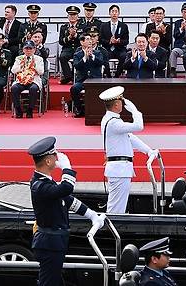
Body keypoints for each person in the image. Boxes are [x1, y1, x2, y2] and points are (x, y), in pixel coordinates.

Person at [28, 136, 104, 286]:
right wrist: (67, 168)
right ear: (48, 161)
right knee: (49, 283)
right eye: (54, 157)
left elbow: (68, 200)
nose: (57, 159)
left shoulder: (46, 182)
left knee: (54, 281)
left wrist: (92, 215)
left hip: (55, 243)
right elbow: (66, 188)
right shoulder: (40, 186)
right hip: (50, 244)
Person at [99, 86, 158, 214]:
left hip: (120, 169)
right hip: (119, 170)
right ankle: (111, 231)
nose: (123, 103)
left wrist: (148, 151)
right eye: (121, 101)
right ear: (116, 105)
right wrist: (135, 111)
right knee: (116, 209)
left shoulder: (112, 120)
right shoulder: (113, 123)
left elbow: (130, 137)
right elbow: (139, 126)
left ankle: (113, 229)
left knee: (118, 206)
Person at [71, 34, 103, 117]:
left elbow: (101, 63)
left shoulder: (97, 52)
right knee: (74, 88)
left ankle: (99, 109)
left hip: (96, 80)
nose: (90, 41)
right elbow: (76, 66)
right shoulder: (77, 54)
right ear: (82, 42)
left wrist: (92, 56)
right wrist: (84, 58)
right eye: (87, 39)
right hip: (82, 80)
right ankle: (79, 109)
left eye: (91, 39)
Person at [10, 40, 45, 118]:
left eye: (30, 49)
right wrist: (21, 65)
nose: (28, 51)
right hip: (21, 80)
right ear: (23, 50)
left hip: (33, 80)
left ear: (34, 49)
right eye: (26, 49)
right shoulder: (19, 58)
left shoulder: (39, 59)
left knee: (33, 89)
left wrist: (34, 64)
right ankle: (18, 110)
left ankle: (30, 110)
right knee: (14, 88)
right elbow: (13, 70)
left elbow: (41, 72)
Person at [100, 4, 129, 78]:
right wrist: (109, 41)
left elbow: (126, 41)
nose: (114, 13)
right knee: (103, 55)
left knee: (124, 56)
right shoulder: (103, 26)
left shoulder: (124, 26)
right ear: (109, 13)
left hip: (119, 49)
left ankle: (117, 75)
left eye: (116, 11)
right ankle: (108, 76)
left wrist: (119, 41)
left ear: (119, 13)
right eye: (112, 11)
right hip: (108, 49)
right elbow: (101, 40)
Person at [58, 5, 83, 85]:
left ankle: (75, 77)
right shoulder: (63, 27)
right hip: (67, 49)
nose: (72, 17)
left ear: (78, 16)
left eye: (74, 15)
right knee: (62, 57)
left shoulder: (82, 26)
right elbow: (61, 42)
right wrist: (69, 37)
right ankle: (68, 77)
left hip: (79, 48)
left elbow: (84, 40)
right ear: (67, 16)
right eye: (70, 15)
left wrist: (75, 36)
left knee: (79, 57)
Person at [169, 3, 186, 77]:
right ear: (181, 12)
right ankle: (173, 70)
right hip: (180, 47)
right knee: (173, 52)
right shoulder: (177, 22)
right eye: (184, 12)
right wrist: (181, 29)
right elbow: (175, 36)